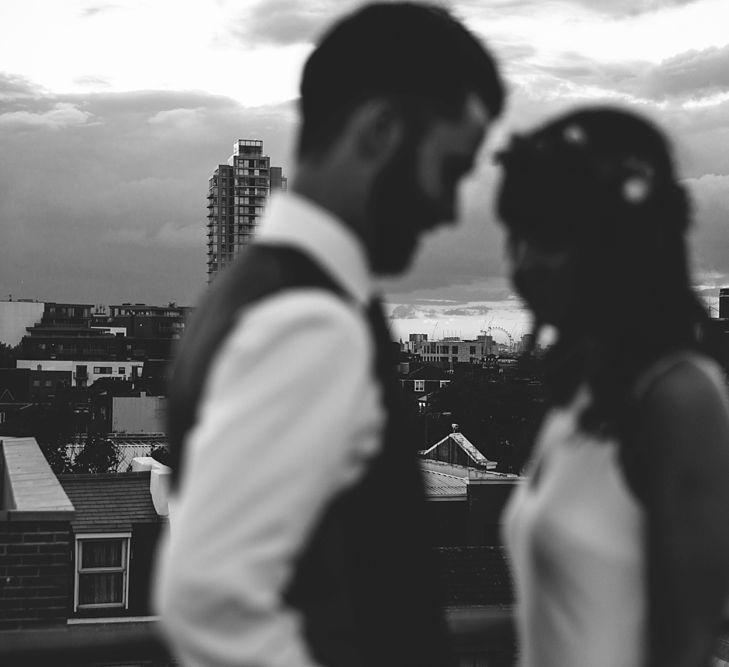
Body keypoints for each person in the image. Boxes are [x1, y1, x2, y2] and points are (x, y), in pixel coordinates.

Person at [153, 3, 504, 666]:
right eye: (451, 168)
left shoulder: (250, 291)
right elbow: (213, 600)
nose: (449, 207)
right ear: (379, 131)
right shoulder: (306, 320)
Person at [496, 106, 729, 667]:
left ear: (619, 243)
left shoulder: (681, 400)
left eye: (547, 237)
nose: (523, 263)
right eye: (517, 236)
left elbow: (688, 645)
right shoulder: (577, 394)